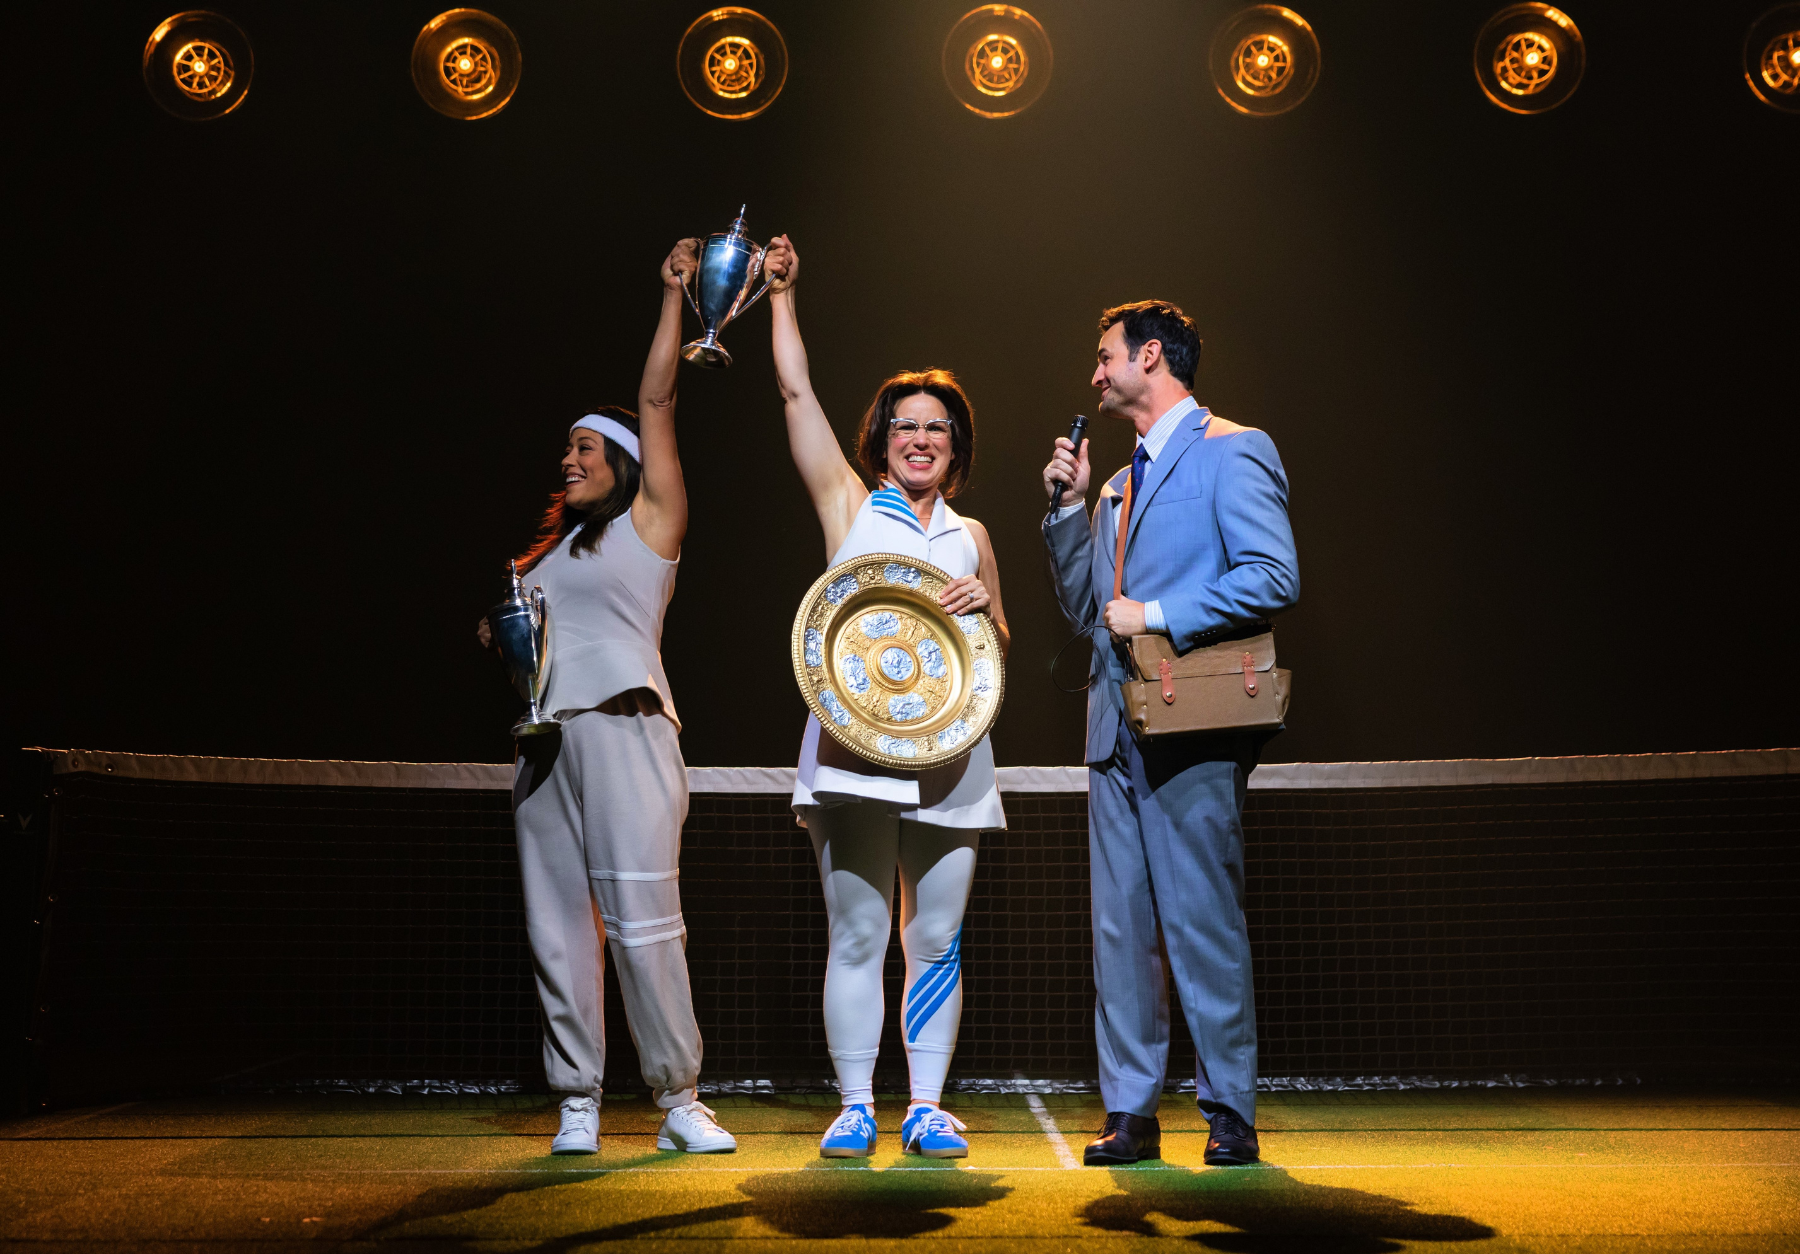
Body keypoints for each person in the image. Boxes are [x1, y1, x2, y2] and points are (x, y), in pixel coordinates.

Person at [476, 239, 736, 1157]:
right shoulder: (540, 560)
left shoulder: (650, 525)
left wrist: (673, 297)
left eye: (585, 447)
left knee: (643, 918)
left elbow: (660, 399)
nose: (568, 457)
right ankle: (576, 1100)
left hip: (629, 728)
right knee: (558, 928)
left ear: (625, 462)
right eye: (568, 447)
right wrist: (502, 636)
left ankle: (677, 1102)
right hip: (546, 744)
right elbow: (529, 657)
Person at [762, 234, 1011, 1160]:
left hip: (953, 758)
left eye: (937, 427)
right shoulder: (847, 506)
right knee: (860, 932)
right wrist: (783, 295)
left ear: (957, 447)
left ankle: (926, 1105)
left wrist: (988, 607)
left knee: (935, 938)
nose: (919, 437)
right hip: (853, 752)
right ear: (881, 441)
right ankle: (857, 1101)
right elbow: (796, 395)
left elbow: (997, 656)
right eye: (905, 424)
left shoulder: (974, 535)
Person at [1041, 300, 1299, 1168]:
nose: (1094, 373)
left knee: (1202, 922)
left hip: (1193, 724)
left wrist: (1155, 611)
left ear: (1150, 356)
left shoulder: (1233, 449)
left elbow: (1273, 574)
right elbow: (1087, 613)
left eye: (1103, 355)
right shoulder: (1116, 482)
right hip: (1115, 732)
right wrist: (1069, 513)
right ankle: (1131, 1113)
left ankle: (1229, 1109)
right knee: (1121, 932)